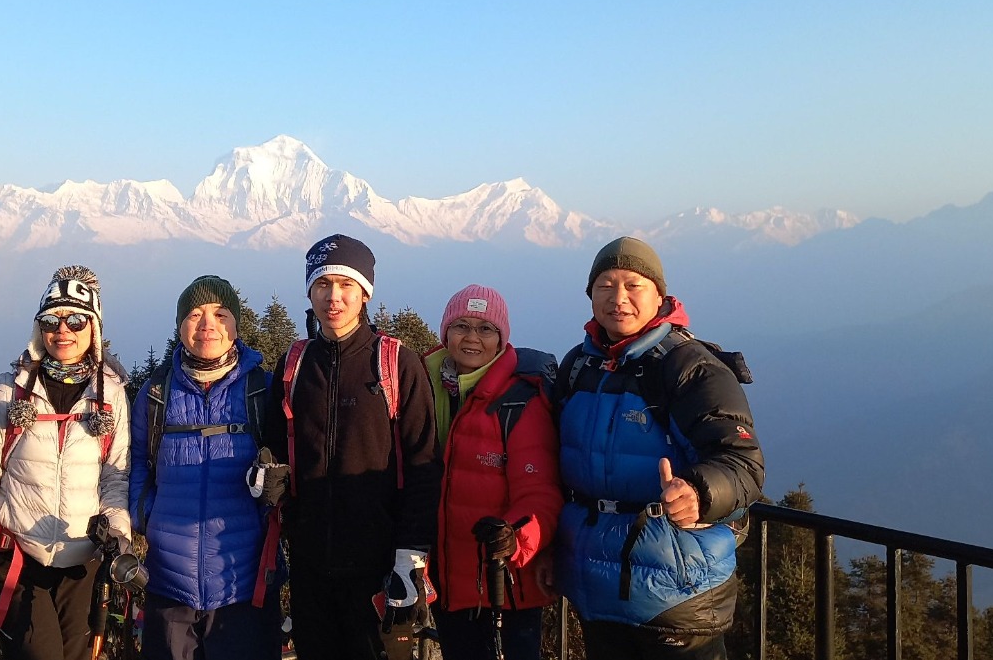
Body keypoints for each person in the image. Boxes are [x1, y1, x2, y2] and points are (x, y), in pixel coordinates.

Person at [552, 237, 764, 660]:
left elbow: (743, 463)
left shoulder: (689, 367)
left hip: (677, 594)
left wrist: (699, 494)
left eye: (634, 285)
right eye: (605, 286)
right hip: (597, 589)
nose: (619, 299)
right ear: (590, 294)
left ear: (659, 294)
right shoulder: (581, 365)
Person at [259, 233, 441, 660]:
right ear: (309, 292)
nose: (333, 297)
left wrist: (410, 557)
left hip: (379, 568)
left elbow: (424, 464)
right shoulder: (295, 364)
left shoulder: (396, 363)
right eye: (323, 285)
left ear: (365, 294)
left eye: (346, 285)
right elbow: (274, 448)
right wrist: (268, 479)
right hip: (309, 567)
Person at [0, 265, 132, 660]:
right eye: (51, 319)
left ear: (94, 328)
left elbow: (115, 477)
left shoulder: (110, 394)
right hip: (18, 555)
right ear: (38, 328)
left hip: (84, 558)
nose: (63, 330)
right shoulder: (8, 391)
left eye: (77, 320)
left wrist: (117, 531)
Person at [129, 275, 284, 660]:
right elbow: (133, 464)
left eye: (220, 313)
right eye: (194, 314)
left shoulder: (262, 390)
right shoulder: (156, 394)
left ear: (236, 325)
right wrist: (146, 516)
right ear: (179, 326)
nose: (207, 324)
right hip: (168, 582)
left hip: (245, 582)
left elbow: (286, 465)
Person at [422, 285, 562, 660]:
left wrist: (517, 537)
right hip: (448, 584)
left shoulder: (519, 403)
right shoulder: (422, 385)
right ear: (444, 332)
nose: (471, 338)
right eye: (461, 325)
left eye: (485, 329)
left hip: (506, 585)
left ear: (502, 339)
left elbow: (540, 492)